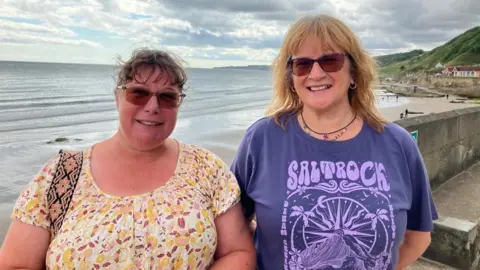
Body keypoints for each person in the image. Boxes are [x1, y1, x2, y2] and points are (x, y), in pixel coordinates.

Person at [0, 49, 256, 269]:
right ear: (117, 97)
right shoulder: (62, 174)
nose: (153, 106)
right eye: (139, 93)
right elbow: (15, 263)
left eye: (167, 97)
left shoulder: (206, 168)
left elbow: (239, 253)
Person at [231, 15, 438, 270]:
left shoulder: (398, 144)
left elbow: (418, 236)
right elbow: (232, 228)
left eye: (330, 61)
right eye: (302, 64)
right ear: (291, 78)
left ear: (354, 72)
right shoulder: (261, 139)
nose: (316, 73)